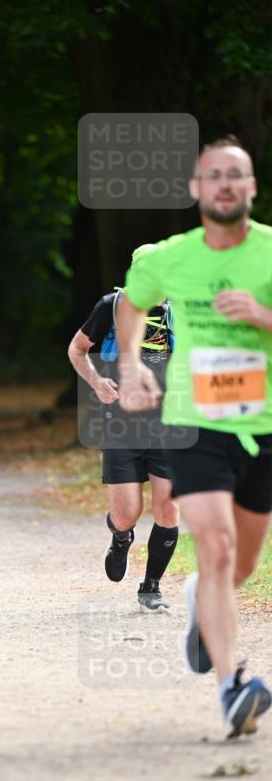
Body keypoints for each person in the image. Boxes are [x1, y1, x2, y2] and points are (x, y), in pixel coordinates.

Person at [117, 135, 272, 738]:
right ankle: (233, 685)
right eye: (214, 176)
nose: (226, 185)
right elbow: (130, 305)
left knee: (243, 562)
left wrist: (262, 317)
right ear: (195, 189)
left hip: (263, 423)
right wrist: (129, 365)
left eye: (237, 175)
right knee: (217, 548)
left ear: (252, 187)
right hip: (198, 421)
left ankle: (199, 604)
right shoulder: (168, 256)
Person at [68, 245, 179, 612]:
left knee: (168, 509)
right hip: (120, 424)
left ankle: (151, 586)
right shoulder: (112, 307)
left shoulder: (183, 310)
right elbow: (77, 350)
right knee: (127, 511)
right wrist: (98, 382)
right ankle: (120, 535)